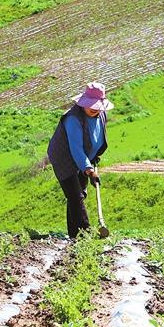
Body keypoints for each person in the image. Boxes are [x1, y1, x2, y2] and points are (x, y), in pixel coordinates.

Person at [47, 82, 113, 239]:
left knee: (80, 194)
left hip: (86, 158)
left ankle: (74, 235)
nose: (95, 109)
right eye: (92, 105)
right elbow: (76, 148)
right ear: (84, 102)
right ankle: (86, 234)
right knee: (75, 195)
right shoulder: (72, 119)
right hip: (64, 158)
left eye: (98, 106)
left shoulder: (100, 114)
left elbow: (96, 137)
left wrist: (93, 158)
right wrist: (89, 170)